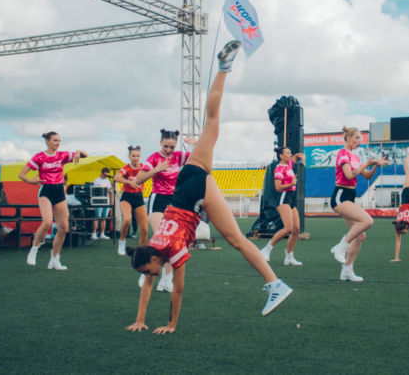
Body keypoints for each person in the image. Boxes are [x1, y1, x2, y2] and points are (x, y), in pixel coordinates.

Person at [125, 40, 292, 334]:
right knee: (212, 122)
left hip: (193, 193)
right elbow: (149, 285)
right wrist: (140, 319)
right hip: (191, 181)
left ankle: (276, 284)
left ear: (153, 259)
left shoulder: (171, 251)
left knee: (237, 239)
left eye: (146, 271)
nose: (147, 276)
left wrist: (171, 325)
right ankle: (224, 68)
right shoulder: (154, 249)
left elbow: (177, 291)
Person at [134, 129, 195, 292]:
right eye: (166, 146)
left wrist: (194, 145)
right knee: (163, 239)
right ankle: (145, 269)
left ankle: (167, 279)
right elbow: (138, 179)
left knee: (173, 241)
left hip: (174, 202)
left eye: (172, 147)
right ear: (160, 143)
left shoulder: (178, 157)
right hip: (158, 200)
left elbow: (199, 159)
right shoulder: (153, 158)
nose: (168, 150)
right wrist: (156, 169)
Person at [18, 132, 88, 269]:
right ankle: (34, 250)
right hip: (45, 191)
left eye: (59, 140)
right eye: (55, 140)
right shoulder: (39, 157)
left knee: (64, 228)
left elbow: (86, 155)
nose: (58, 143)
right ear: (47, 141)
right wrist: (32, 182)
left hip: (59, 192)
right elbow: (22, 174)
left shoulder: (62, 155)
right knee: (47, 222)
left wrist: (79, 151)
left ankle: (55, 259)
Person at [329, 126, 388, 282]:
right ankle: (340, 247)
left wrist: (375, 165)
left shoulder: (355, 157)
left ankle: (347, 270)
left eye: (360, 140)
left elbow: (367, 176)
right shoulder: (343, 154)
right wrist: (366, 163)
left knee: (360, 235)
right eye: (356, 138)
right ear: (347, 138)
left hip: (351, 195)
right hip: (340, 195)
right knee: (367, 221)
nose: (358, 142)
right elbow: (349, 175)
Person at [260, 147, 306, 265]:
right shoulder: (279, 168)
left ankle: (289, 256)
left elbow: (296, 156)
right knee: (288, 228)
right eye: (287, 153)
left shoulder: (289, 164)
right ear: (281, 156)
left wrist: (302, 157)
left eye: (290, 153)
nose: (290, 155)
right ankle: (267, 249)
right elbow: (278, 187)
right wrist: (292, 183)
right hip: (283, 198)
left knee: (296, 229)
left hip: (291, 198)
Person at [114, 145, 148, 255]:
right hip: (127, 197)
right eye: (133, 156)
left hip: (138, 197)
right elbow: (116, 177)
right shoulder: (127, 168)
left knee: (144, 230)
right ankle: (122, 242)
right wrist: (129, 182)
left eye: (137, 156)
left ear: (140, 156)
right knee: (127, 219)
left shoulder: (143, 167)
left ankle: (141, 251)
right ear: (129, 156)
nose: (135, 158)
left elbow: (152, 173)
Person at [90, 167, 113, 240]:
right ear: (102, 172)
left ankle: (102, 233)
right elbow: (93, 191)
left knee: (104, 217)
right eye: (105, 173)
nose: (106, 175)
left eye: (107, 173)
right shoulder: (96, 180)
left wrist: (111, 203)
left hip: (106, 201)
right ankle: (94, 233)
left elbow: (110, 192)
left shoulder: (108, 181)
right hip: (98, 201)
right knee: (97, 217)